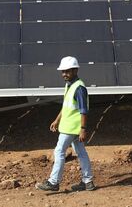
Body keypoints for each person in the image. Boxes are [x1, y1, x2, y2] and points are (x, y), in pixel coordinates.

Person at [35, 56, 96, 192]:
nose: (64, 74)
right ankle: (88, 182)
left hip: (72, 128)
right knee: (81, 153)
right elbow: (66, 106)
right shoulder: (70, 85)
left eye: (67, 71)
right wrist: (57, 120)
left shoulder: (79, 88)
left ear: (75, 70)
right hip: (71, 127)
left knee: (59, 151)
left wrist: (83, 129)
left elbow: (83, 111)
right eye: (63, 72)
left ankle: (54, 182)